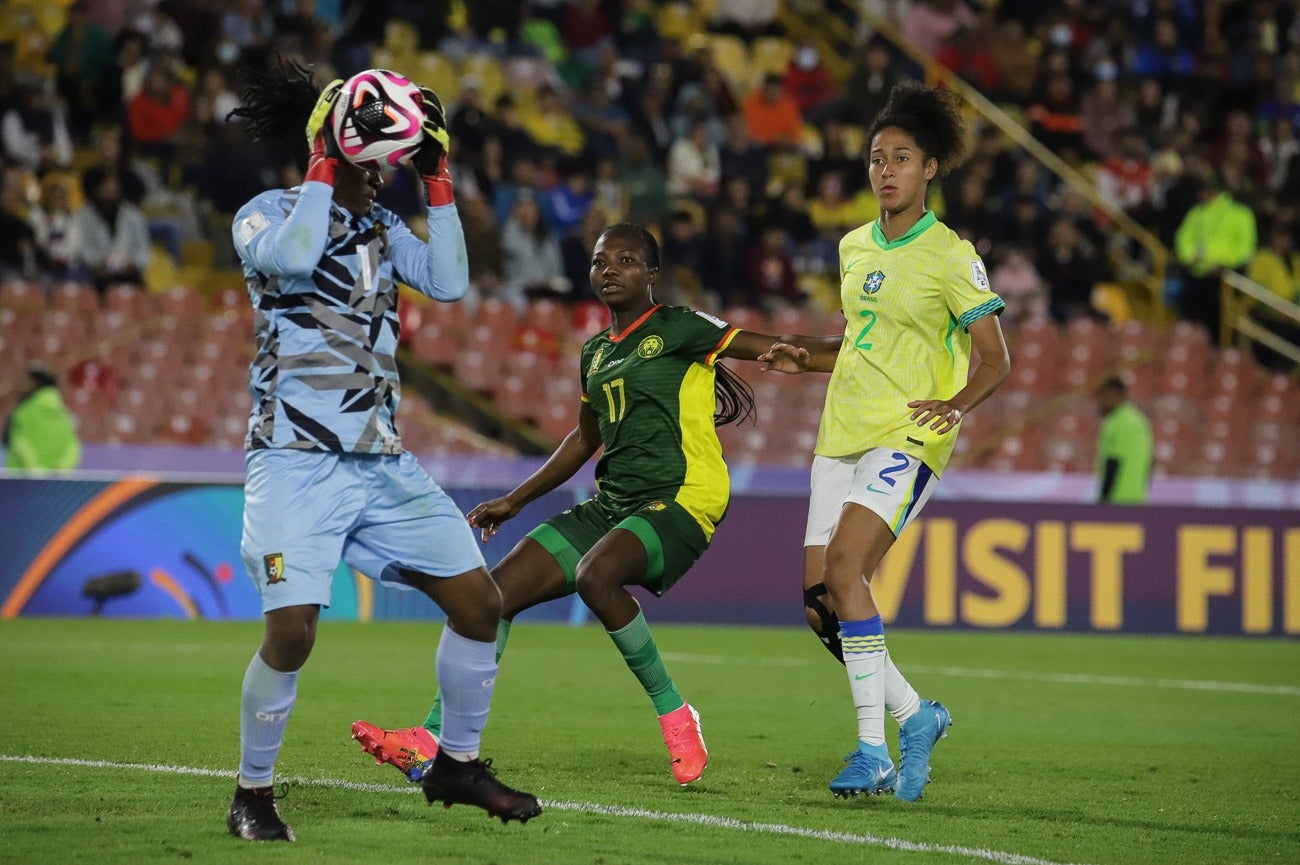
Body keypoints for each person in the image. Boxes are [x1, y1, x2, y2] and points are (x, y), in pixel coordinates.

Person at [350, 222, 822, 788]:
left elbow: (771, 346)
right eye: (601, 262)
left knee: (598, 576)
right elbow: (582, 440)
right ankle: (432, 740)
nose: (610, 270)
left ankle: (677, 716)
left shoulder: (679, 326)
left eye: (626, 261)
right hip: (614, 502)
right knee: (488, 599)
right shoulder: (596, 353)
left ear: (651, 273)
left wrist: (849, 350)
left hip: (682, 495)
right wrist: (514, 500)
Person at [222, 59, 541, 843]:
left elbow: (452, 280)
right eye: (379, 166)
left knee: (480, 602)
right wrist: (326, 167)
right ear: (332, 154)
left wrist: (436, 179)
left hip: (381, 461)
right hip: (294, 460)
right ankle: (251, 794)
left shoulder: (383, 229)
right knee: (292, 633)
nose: (383, 178)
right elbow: (295, 260)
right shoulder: (264, 215)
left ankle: (457, 764)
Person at [762, 81, 1011, 802]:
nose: (886, 169)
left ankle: (874, 749)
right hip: (840, 432)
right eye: (877, 158)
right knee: (820, 605)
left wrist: (956, 404)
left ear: (930, 167)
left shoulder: (950, 255)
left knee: (846, 567)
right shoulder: (852, 246)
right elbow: (856, 343)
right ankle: (917, 715)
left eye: (902, 157)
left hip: (908, 432)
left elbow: (996, 358)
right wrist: (803, 355)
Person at [2, 363, 81, 470]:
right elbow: (73, 447)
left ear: (34, 383)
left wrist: (36, 470)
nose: (20, 383)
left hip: (22, 480)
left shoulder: (23, 412)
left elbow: (18, 442)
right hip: (56, 482)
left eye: (25, 379)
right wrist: (62, 469)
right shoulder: (64, 413)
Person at [1095, 377, 1153, 504]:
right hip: (1138, 497)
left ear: (1115, 394)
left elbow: (1113, 462)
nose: (1100, 402)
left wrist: (1103, 499)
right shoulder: (1140, 420)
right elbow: (1149, 462)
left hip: (1117, 499)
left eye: (1103, 397)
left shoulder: (1115, 422)